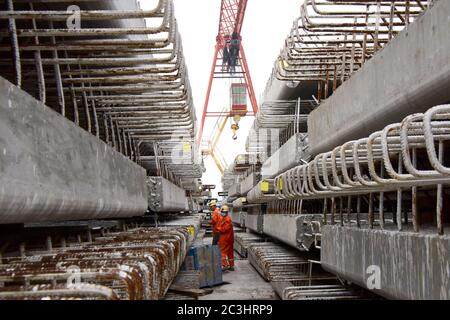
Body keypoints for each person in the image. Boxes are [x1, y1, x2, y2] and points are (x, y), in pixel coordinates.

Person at [217, 205, 235, 271]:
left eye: (223, 212)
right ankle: (231, 265)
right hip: (229, 239)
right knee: (230, 253)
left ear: (226, 212)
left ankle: (224, 265)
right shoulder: (225, 218)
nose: (222, 213)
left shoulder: (227, 219)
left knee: (222, 252)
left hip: (225, 239)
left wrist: (218, 228)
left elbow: (225, 229)